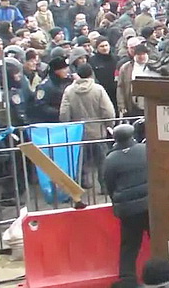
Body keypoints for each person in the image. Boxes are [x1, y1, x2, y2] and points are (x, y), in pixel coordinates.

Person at [103, 124, 148, 288]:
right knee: (158, 240)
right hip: (149, 204)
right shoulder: (144, 150)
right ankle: (159, 274)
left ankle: (127, 280)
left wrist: (117, 202)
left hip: (127, 210)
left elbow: (109, 184)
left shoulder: (110, 159)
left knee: (129, 246)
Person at [59, 63, 115, 191]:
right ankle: (104, 186)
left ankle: (83, 183)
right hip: (97, 132)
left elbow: (64, 113)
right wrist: (109, 125)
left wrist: (68, 125)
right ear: (91, 74)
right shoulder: (98, 89)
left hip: (77, 132)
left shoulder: (69, 91)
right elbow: (108, 111)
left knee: (80, 160)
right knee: (102, 160)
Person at [30, 56, 73, 123]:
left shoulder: (67, 81)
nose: (67, 71)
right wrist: (59, 112)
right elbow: (40, 106)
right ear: (56, 71)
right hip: (52, 121)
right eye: (64, 69)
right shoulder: (45, 86)